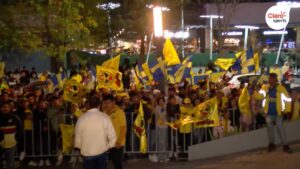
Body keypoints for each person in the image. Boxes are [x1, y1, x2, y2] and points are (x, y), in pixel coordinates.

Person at [74, 96, 116, 169]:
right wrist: (108, 146)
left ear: (88, 105)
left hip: (87, 152)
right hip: (102, 152)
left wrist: (80, 148)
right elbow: (113, 136)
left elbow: (77, 138)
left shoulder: (81, 118)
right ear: (99, 105)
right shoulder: (104, 117)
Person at [256, 73, 292, 153]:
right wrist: (255, 92)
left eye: (272, 79)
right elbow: (259, 96)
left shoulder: (281, 88)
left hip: (278, 112)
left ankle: (285, 145)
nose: (271, 80)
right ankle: (272, 144)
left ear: (275, 80)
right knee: (270, 129)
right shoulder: (265, 87)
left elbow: (288, 99)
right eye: (270, 78)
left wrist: (286, 110)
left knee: (280, 129)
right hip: (268, 112)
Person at [102, 94, 127, 169]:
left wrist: (119, 141)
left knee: (117, 162)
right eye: (105, 102)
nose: (107, 104)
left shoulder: (119, 112)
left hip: (117, 142)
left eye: (108, 102)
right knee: (108, 161)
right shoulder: (104, 112)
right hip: (107, 141)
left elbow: (123, 128)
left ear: (113, 102)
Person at [0, 101, 23, 169]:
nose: (4, 108)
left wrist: (16, 140)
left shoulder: (15, 118)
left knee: (10, 162)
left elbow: (20, 130)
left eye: (6, 107)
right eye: (2, 107)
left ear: (10, 108)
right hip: (0, 143)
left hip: (11, 144)